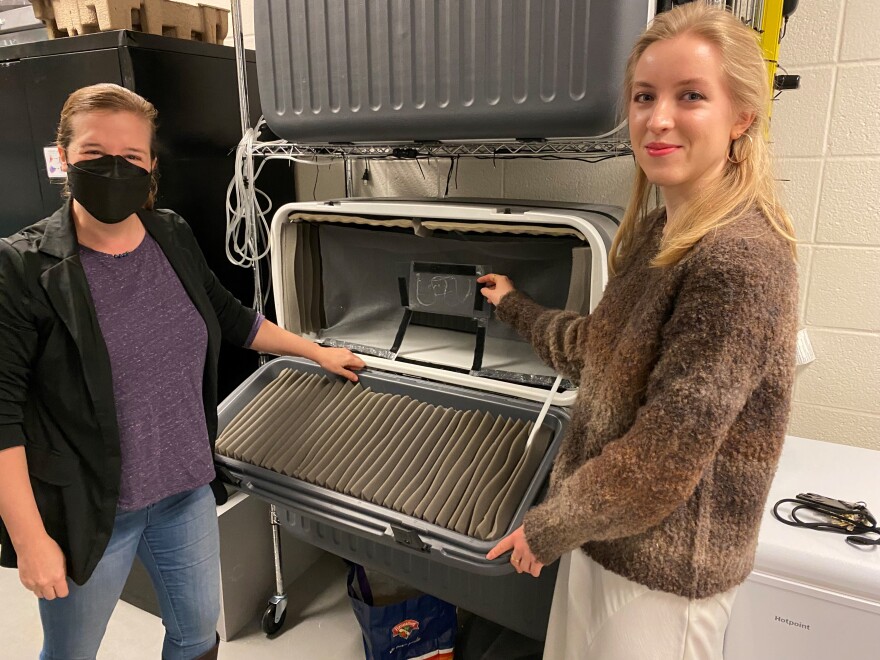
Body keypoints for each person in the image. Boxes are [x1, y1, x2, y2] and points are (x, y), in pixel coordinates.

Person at [0, 83, 365, 660]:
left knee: (196, 638)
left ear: (151, 167)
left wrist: (315, 351)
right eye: (94, 154)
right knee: (71, 653)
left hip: (185, 492)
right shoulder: (23, 267)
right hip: (91, 507)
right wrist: (30, 539)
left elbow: (230, 317)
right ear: (64, 154)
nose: (113, 169)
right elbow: (3, 417)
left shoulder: (169, 233)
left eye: (132, 158)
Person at [480, 4, 798, 659]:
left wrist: (548, 527)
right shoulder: (658, 235)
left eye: (691, 96)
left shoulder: (739, 259)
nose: (658, 119)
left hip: (665, 578)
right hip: (605, 536)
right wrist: (517, 307)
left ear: (741, 116)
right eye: (644, 96)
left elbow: (661, 461)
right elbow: (606, 356)